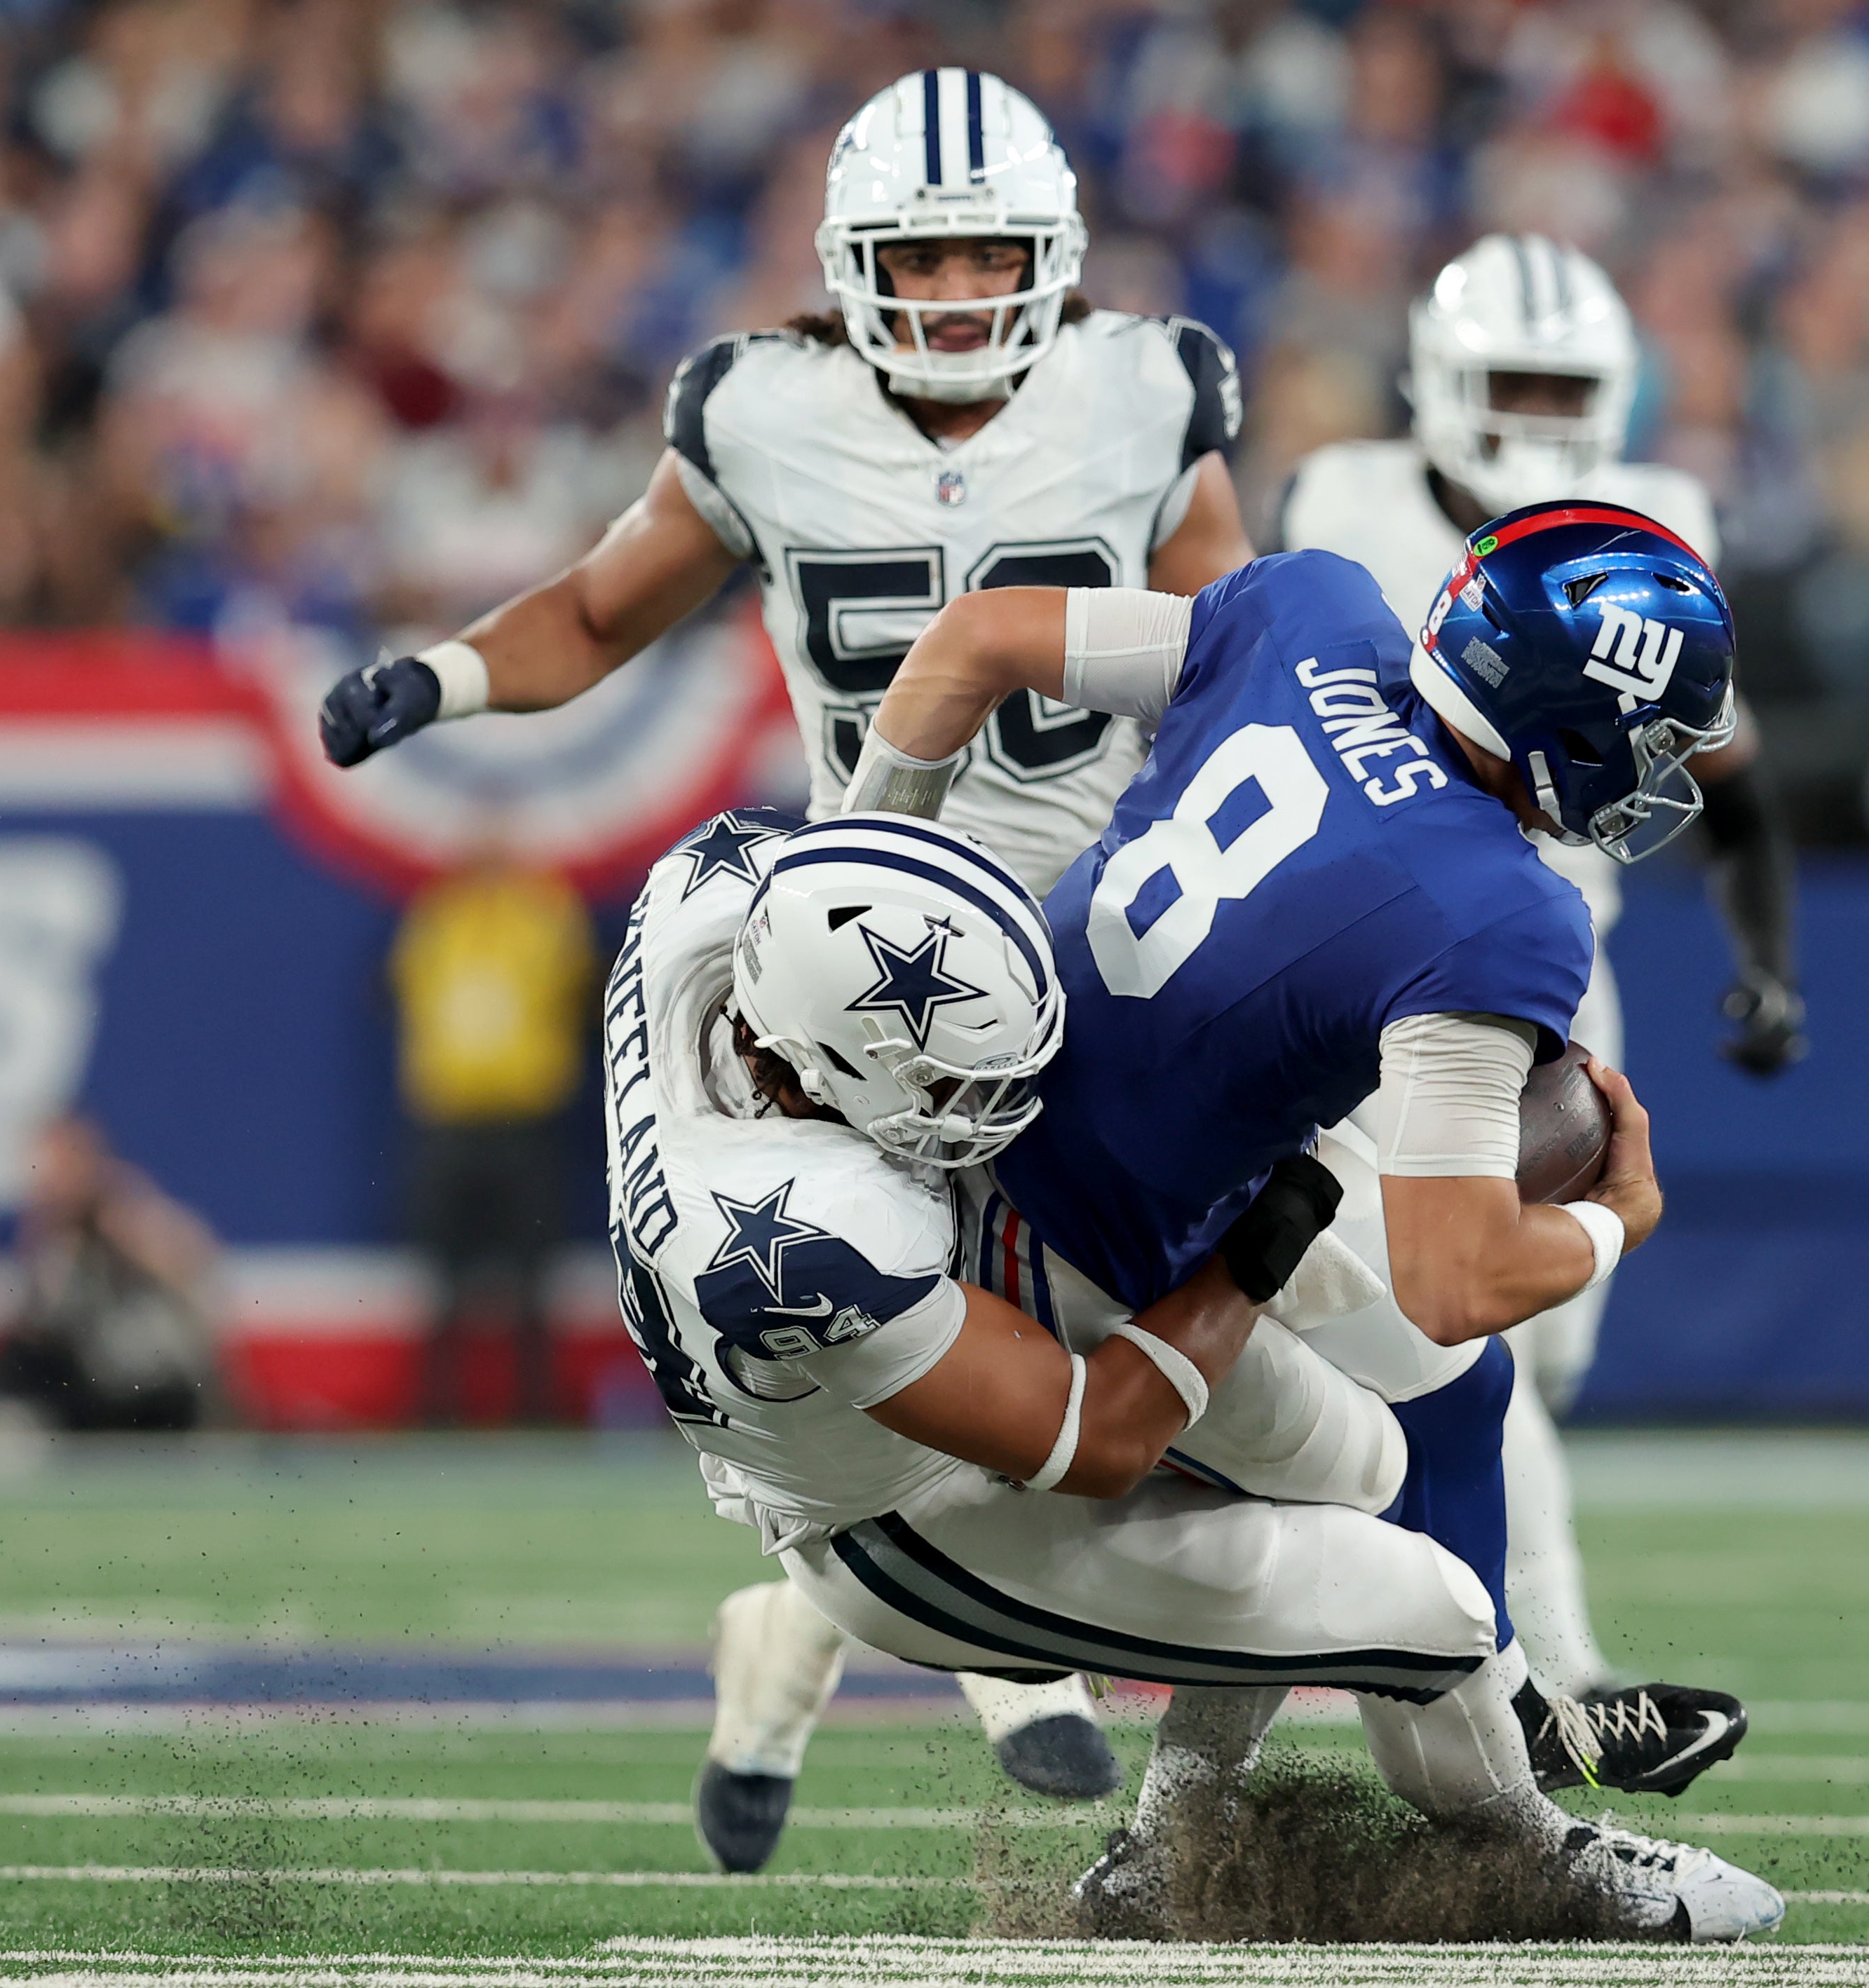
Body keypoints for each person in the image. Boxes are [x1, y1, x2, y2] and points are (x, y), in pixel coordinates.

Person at [318, 69, 1256, 1816]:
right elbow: (600, 608)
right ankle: (1009, 1662)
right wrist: (438, 674)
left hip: (1109, 929)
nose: (966, 295)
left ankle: (787, 1645)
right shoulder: (761, 411)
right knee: (924, 1334)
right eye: (930, 258)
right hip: (875, 956)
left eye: (994, 258)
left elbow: (1240, 646)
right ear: (849, 265)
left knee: (1122, 1367)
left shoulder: (1143, 389)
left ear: (1051, 257)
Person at [602, 806, 1778, 1942]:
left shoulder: (716, 894)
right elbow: (1097, 1434)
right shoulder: (802, 1234)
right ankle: (1532, 1852)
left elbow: (850, 859)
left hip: (960, 1305)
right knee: (1432, 1607)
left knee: (1368, 1454)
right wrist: (1263, 1242)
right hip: (908, 1512)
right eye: (956, 1092)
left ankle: (1163, 1854)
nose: (997, 1108)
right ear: (812, 1072)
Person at [841, 504, 1768, 1899]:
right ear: (1567, 719)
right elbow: (1457, 1264)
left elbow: (972, 637)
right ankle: (1510, 1840)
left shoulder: (1310, 612)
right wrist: (1615, 1217)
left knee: (1453, 1386)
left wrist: (862, 876)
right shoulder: (1500, 906)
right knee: (1362, 1490)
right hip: (1080, 1248)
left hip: (1030, 1124)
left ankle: (1199, 1836)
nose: (1649, 779)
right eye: (1643, 740)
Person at [1277, 233, 1805, 1700]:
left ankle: (1392, 1621)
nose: (1535, 414)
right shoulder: (1337, 500)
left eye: (1562, 386)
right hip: (1362, 956)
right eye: (1508, 382)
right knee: (1444, 1335)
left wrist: (1768, 962)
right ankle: (1550, 1683)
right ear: (1435, 381)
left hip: (1546, 963)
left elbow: (1732, 782)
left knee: (1528, 1360)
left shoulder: (1655, 526)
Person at [390, 847, 597, 1426]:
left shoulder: (543, 915)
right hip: (449, 1123)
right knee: (443, 1280)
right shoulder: (439, 919)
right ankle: (437, 1409)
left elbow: (569, 976)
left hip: (525, 1125)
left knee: (533, 1279)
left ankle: (535, 1408)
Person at [0, 1115, 220, 1434]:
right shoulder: (56, 1242)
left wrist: (129, 1227)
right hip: (91, 1393)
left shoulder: (133, 1214)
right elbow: (39, 1322)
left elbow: (196, 1278)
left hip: (156, 1391)